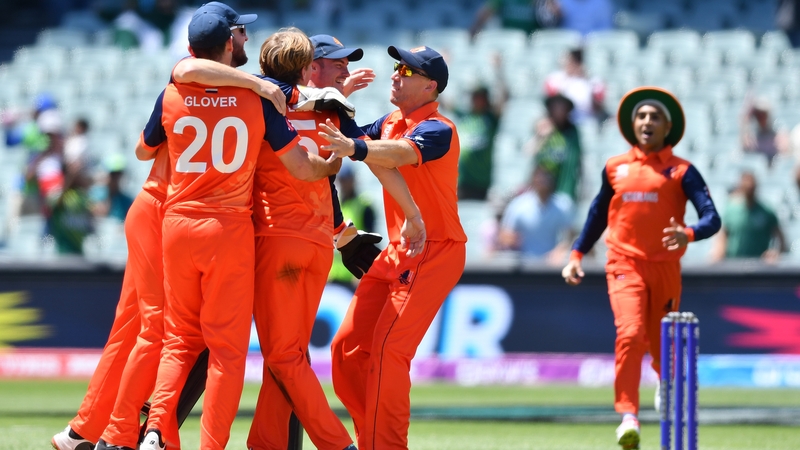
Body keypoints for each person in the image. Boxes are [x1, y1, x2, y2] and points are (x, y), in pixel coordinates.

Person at [52, 3, 286, 450]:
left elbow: (150, 140)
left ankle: (89, 429)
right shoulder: (201, 80)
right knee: (157, 330)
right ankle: (115, 433)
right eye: (240, 33)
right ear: (224, 41)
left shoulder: (190, 85)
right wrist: (256, 82)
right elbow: (187, 69)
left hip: (168, 213)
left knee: (144, 328)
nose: (247, 42)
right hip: (165, 210)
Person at [561, 87, 721, 450]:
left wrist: (689, 234)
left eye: (655, 117)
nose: (647, 122)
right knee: (630, 334)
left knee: (662, 344)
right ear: (633, 124)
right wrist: (576, 254)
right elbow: (598, 215)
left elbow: (712, 218)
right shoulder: (615, 167)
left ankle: (665, 381)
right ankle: (628, 415)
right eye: (642, 116)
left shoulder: (683, 171)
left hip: (664, 268)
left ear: (668, 127)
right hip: (623, 263)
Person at [321, 44, 463, 450]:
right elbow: (348, 138)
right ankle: (373, 440)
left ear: (430, 86)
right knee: (347, 349)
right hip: (400, 250)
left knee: (387, 351)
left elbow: (398, 154)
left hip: (434, 249)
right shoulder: (391, 121)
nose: (396, 74)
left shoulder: (439, 127)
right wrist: (340, 97)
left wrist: (357, 148)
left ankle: (386, 445)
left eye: (407, 70)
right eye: (397, 66)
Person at [445, 52, 507, 200]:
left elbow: (504, 98)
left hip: (481, 181)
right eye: (474, 96)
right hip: (461, 179)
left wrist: (498, 71)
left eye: (480, 97)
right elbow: (443, 99)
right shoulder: (465, 116)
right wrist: (444, 68)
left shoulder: (490, 119)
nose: (476, 100)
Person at [498, 164, 574, 261]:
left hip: (551, 264)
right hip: (524, 264)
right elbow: (504, 235)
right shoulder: (519, 205)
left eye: (546, 176)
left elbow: (571, 236)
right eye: (539, 176)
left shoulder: (562, 205)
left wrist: (560, 250)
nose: (542, 180)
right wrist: (513, 239)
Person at [710, 171, 786, 264]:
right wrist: (719, 252)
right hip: (734, 264)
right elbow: (724, 234)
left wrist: (776, 252)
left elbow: (780, 236)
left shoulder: (766, 212)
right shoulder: (731, 210)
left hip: (760, 265)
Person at [328, 163, 377, 285]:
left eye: (347, 179)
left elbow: (371, 240)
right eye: (342, 180)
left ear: (353, 180)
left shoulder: (364, 206)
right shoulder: (337, 206)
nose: (345, 184)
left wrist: (363, 272)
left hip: (353, 276)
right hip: (333, 276)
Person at [527, 93, 582, 202]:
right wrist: (540, 136)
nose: (559, 110)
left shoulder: (572, 132)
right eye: (556, 106)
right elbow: (529, 153)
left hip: (564, 189)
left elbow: (577, 161)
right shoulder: (543, 128)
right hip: (541, 190)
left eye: (562, 107)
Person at [543, 48, 607, 124]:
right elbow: (552, 103)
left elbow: (599, 108)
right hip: (563, 123)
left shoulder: (594, 81)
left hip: (589, 121)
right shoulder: (555, 78)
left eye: (576, 61)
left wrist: (586, 80)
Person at [469, 0, 561, 39]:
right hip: (509, 40)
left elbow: (555, 15)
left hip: (533, 40)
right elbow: (487, 11)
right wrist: (476, 27)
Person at [741, 96, 786, 166]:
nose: (761, 118)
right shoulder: (751, 140)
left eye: (763, 114)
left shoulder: (780, 137)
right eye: (758, 115)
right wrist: (745, 121)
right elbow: (744, 150)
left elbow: (784, 158)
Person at [90, 153, 134, 221]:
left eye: (118, 174)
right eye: (113, 174)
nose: (115, 178)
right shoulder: (94, 196)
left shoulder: (127, 201)